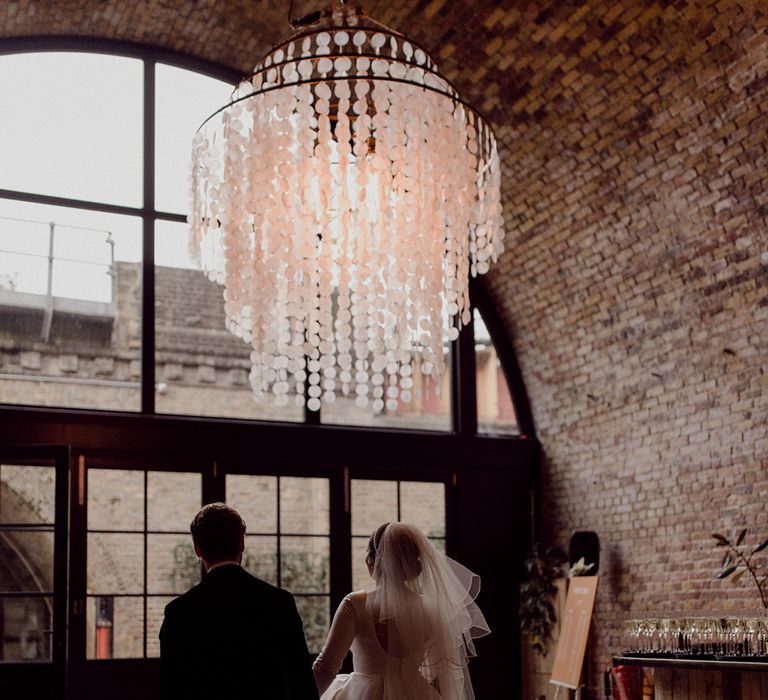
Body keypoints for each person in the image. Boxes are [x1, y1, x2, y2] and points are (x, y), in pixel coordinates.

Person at [159, 502, 318, 700]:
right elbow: (301, 680)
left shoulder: (179, 611)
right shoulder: (279, 602)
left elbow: (170, 687)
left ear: (197, 549)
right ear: (242, 543)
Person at [313, 522, 490, 699]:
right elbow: (436, 672)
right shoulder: (429, 609)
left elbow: (325, 668)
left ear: (373, 561)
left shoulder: (355, 603)